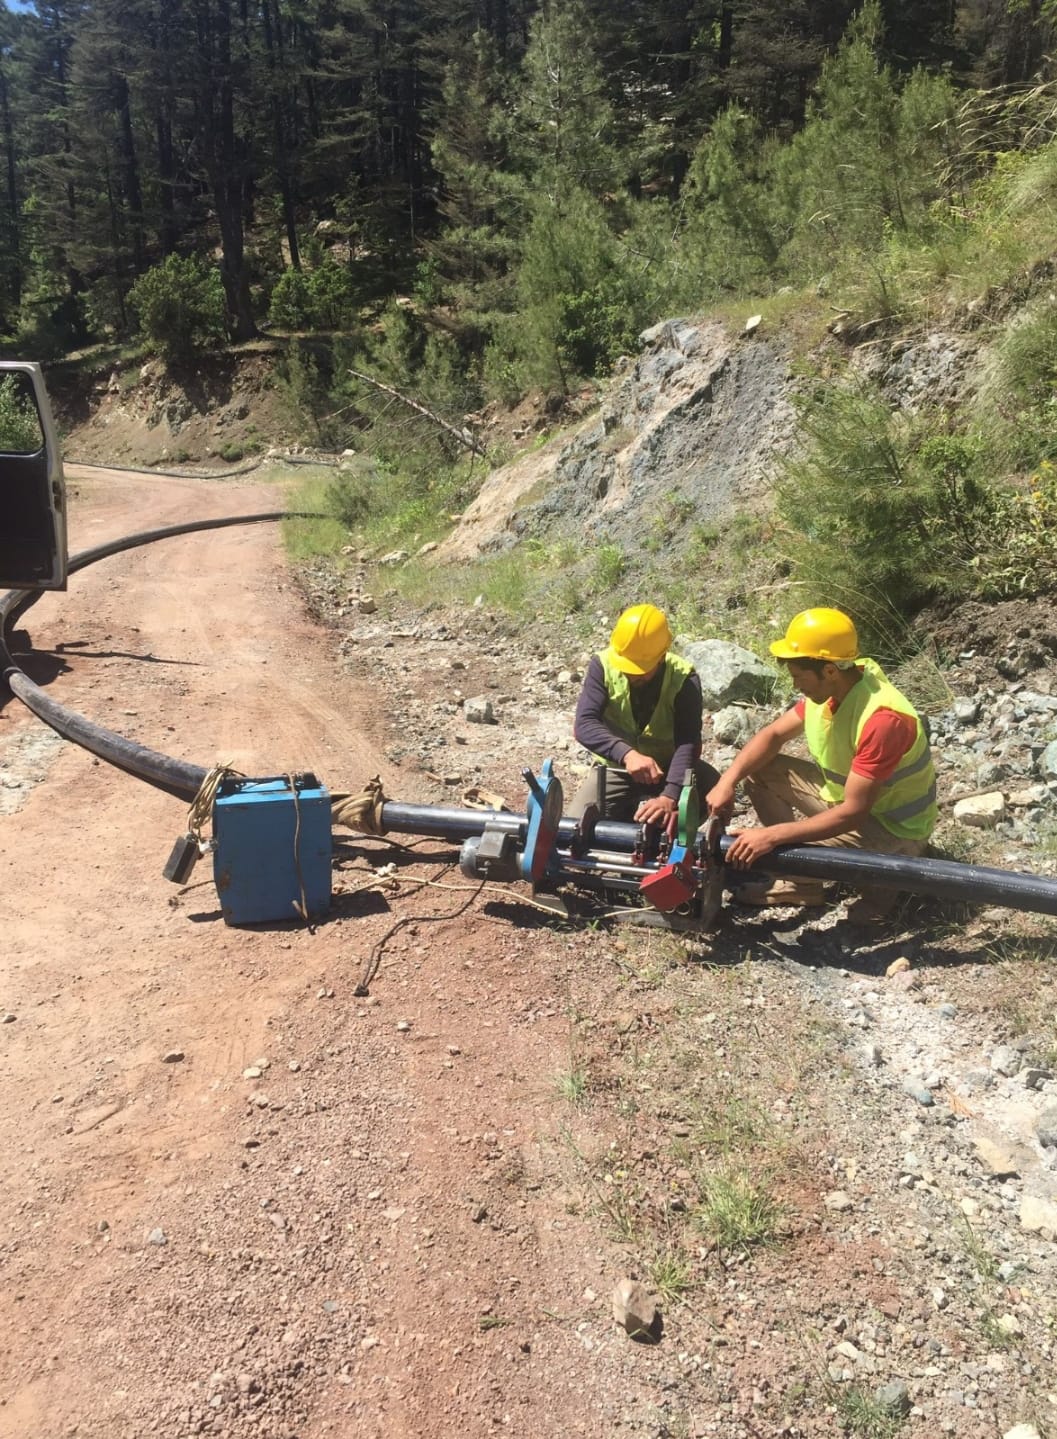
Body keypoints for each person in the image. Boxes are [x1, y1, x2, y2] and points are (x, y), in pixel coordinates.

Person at [705, 606, 938, 921]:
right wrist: (726, 781)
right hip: (848, 804)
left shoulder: (883, 719)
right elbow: (772, 735)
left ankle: (882, 890)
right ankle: (804, 884)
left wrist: (772, 836)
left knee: (778, 844)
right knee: (761, 770)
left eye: (800, 677)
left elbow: (854, 814)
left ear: (829, 670)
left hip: (893, 830)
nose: (796, 686)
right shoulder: (834, 690)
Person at [568, 603, 719, 827]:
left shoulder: (684, 680)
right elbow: (584, 724)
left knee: (714, 792)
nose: (631, 673)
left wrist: (670, 796)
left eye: (640, 667)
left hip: (668, 767)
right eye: (627, 665)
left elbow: (688, 742)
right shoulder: (602, 665)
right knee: (572, 827)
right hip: (617, 769)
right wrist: (627, 755)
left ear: (661, 656)